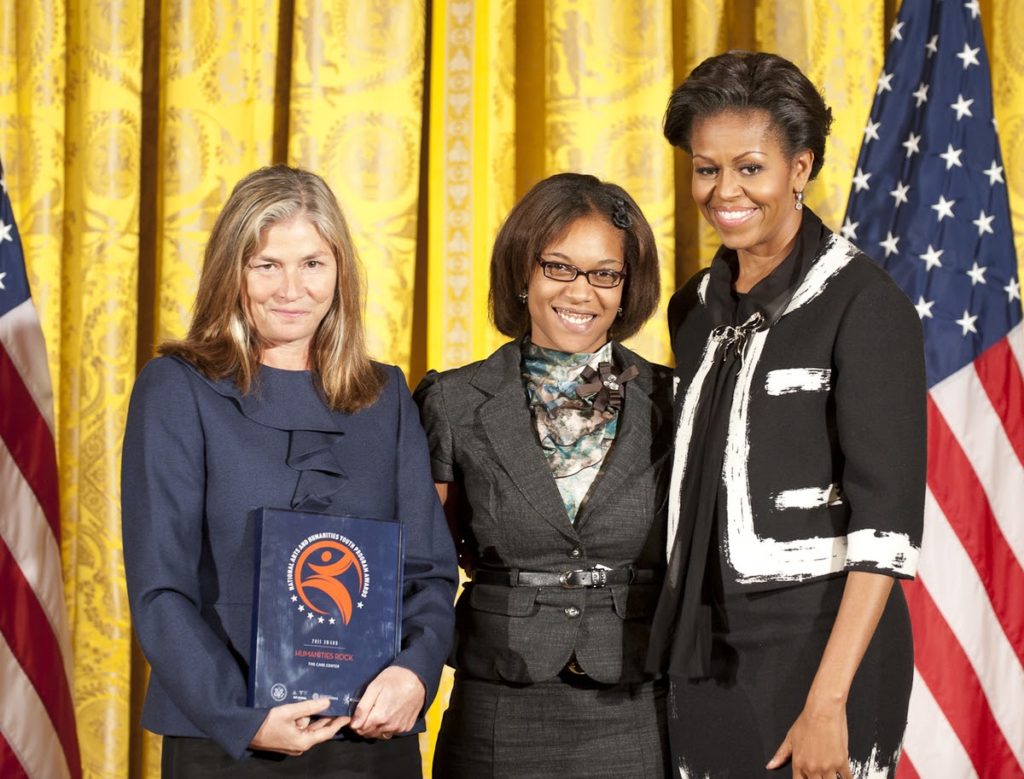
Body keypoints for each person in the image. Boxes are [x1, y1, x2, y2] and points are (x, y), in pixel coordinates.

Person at [121, 165, 458, 777]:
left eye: (312, 263)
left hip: (368, 736)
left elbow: (430, 573)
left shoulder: (385, 396)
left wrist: (416, 672)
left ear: (339, 273)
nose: (291, 288)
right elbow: (160, 589)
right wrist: (244, 717)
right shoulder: (177, 389)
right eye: (266, 264)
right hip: (229, 736)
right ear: (233, 272)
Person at [647, 51, 926, 779]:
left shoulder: (867, 306)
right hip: (703, 651)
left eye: (750, 167)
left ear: (800, 168)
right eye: (706, 168)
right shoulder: (693, 308)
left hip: (822, 654)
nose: (724, 191)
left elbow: (886, 531)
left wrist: (829, 701)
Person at [414, 172, 674, 778]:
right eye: (559, 267)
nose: (582, 292)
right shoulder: (451, 402)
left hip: (638, 703)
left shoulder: (676, 400)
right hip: (499, 705)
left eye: (605, 273)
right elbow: (424, 563)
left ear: (627, 285)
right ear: (523, 272)